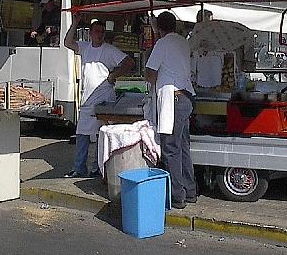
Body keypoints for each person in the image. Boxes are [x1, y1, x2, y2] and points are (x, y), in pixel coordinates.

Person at [64, 16, 135, 178]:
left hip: (103, 97)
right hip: (87, 98)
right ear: (90, 33)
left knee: (100, 134)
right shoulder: (85, 47)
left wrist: (113, 76)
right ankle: (79, 167)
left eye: (102, 32)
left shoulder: (109, 50)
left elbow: (129, 62)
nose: (100, 34)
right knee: (82, 133)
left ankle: (97, 168)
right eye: (97, 31)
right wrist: (74, 23)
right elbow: (67, 43)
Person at [145, 11, 196, 209]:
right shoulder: (183, 42)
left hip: (173, 100)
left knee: (171, 149)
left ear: (159, 28)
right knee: (183, 147)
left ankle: (177, 196)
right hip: (186, 98)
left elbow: (151, 72)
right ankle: (190, 191)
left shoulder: (162, 44)